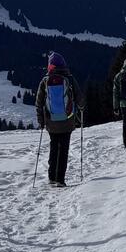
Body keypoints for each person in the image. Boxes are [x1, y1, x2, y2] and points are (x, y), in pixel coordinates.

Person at [35, 52, 81, 186]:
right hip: (67, 121)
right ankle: (60, 179)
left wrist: (41, 121)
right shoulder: (70, 79)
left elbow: (38, 103)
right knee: (64, 149)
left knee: (54, 148)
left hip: (51, 121)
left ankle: (51, 177)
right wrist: (81, 110)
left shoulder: (45, 80)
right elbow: (80, 99)